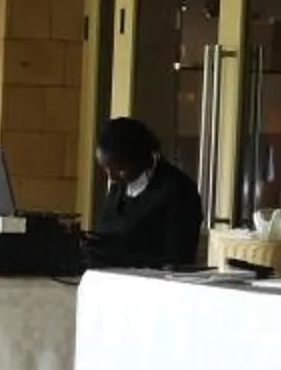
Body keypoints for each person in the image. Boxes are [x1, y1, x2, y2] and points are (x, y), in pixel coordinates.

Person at [87, 115, 204, 270]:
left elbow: (178, 258)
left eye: (120, 169)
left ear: (141, 156)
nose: (111, 177)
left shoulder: (179, 190)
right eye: (106, 169)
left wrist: (122, 258)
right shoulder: (119, 187)